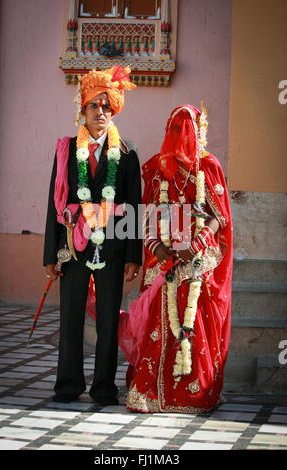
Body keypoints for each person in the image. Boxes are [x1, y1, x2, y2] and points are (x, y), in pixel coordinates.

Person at [43, 66, 142, 406]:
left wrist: (133, 256)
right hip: (73, 245)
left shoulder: (127, 154)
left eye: (106, 107)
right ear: (82, 110)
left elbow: (133, 208)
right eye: (93, 106)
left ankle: (103, 388)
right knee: (70, 317)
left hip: (113, 247)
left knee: (107, 321)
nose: (100, 113)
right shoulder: (66, 150)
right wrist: (51, 254)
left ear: (113, 110)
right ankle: (68, 386)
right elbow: (54, 203)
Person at [124, 104, 233, 413]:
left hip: (196, 257)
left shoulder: (208, 166)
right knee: (159, 321)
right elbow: (147, 215)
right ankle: (151, 394)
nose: (180, 136)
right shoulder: (158, 168)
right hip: (164, 258)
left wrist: (195, 246)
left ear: (198, 132)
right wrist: (156, 247)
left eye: (186, 130)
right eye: (174, 129)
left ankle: (192, 396)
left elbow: (218, 217)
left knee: (193, 320)